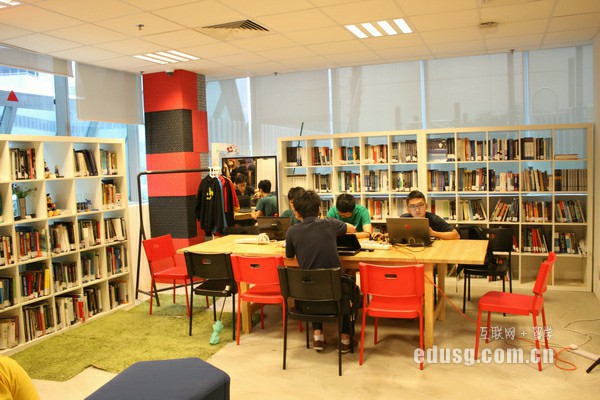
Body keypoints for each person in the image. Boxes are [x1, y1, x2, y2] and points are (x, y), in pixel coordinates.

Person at [285, 190, 356, 353]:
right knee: (348, 286)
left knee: (311, 281)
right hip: (335, 292)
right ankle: (345, 339)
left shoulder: (291, 232)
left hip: (307, 296)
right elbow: (351, 229)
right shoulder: (330, 223)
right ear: (319, 210)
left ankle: (318, 337)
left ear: (296, 212)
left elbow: (289, 257)